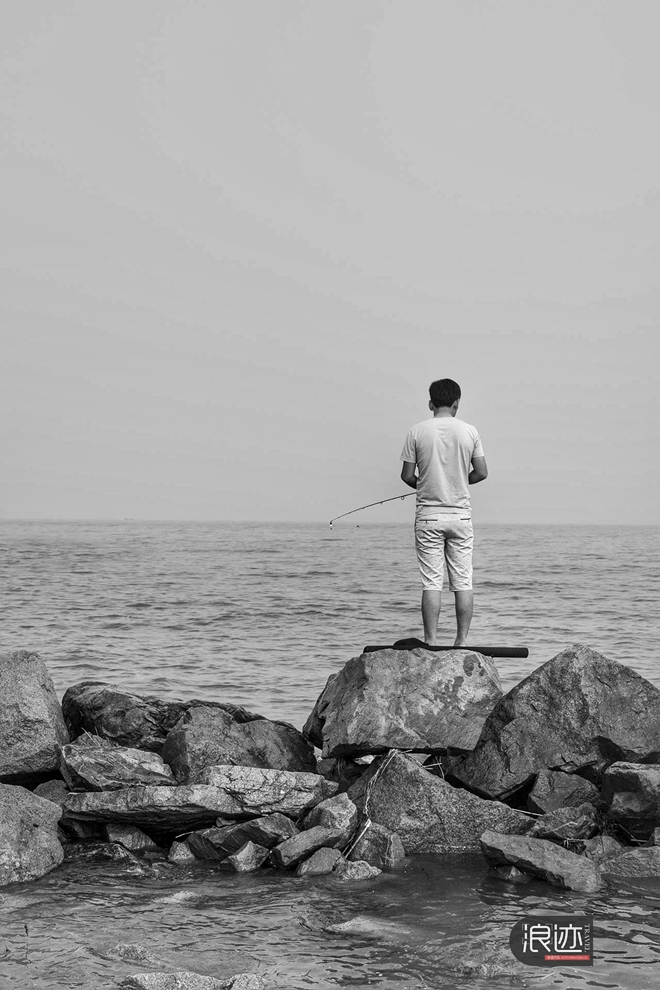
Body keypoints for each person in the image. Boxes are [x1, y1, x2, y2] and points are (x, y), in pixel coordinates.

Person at [400, 378, 488, 647]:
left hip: (428, 515)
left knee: (431, 583)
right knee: (462, 581)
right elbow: (482, 472)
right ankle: (461, 642)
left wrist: (425, 484)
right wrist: (459, 481)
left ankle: (431, 641)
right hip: (460, 516)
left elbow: (406, 476)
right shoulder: (469, 431)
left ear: (430, 402)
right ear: (456, 403)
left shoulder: (416, 431)